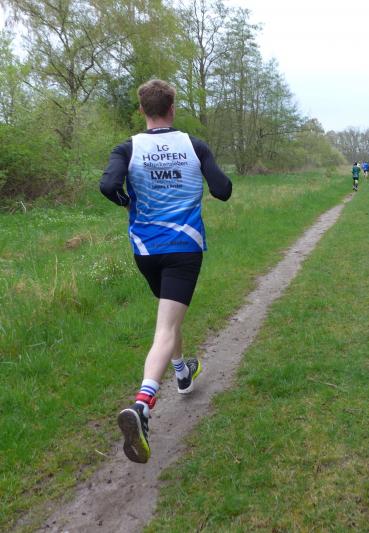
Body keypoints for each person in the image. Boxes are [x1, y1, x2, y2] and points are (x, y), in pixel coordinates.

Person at [99, 79, 233, 464]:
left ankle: (182, 372)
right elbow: (223, 190)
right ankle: (142, 406)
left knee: (168, 317)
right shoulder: (194, 145)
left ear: (143, 110)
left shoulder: (128, 147)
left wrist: (127, 201)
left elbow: (108, 185)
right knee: (166, 328)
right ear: (172, 108)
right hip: (182, 247)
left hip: (145, 249)